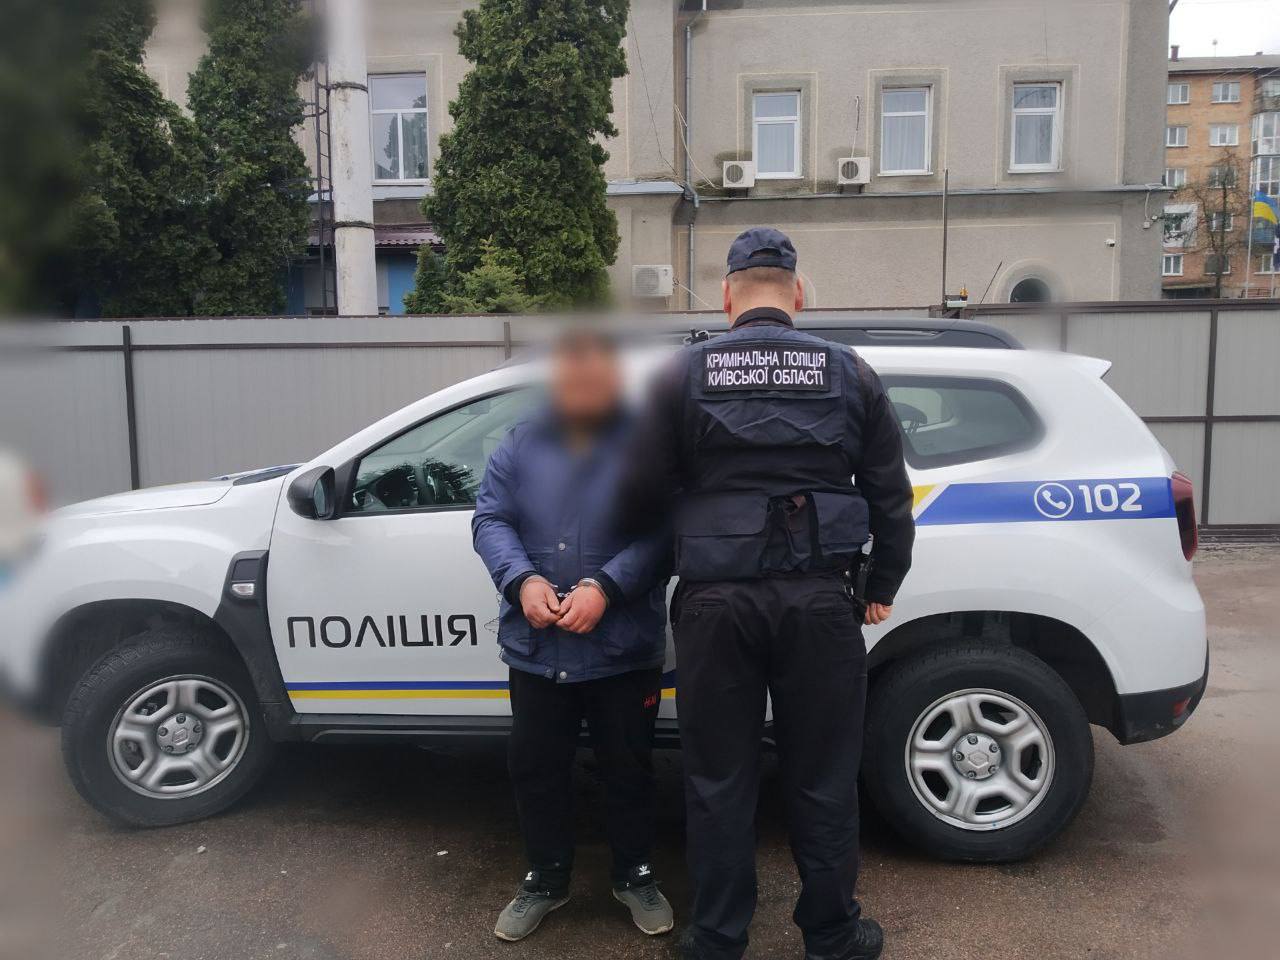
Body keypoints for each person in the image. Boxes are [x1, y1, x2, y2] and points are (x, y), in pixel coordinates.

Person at [620, 228, 915, 960]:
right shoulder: (851, 373)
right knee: (823, 777)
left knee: (718, 780)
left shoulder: (679, 374)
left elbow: (637, 494)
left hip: (716, 605)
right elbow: (891, 498)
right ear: (799, 294)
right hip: (821, 603)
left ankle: (718, 939)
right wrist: (881, 584)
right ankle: (833, 937)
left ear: (726, 296)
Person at [472, 329, 675, 943]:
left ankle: (635, 875)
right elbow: (491, 519)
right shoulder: (521, 442)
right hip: (538, 649)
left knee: (629, 769)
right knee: (536, 769)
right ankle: (545, 878)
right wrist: (521, 580)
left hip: (622, 649)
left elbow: (667, 533)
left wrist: (607, 588)